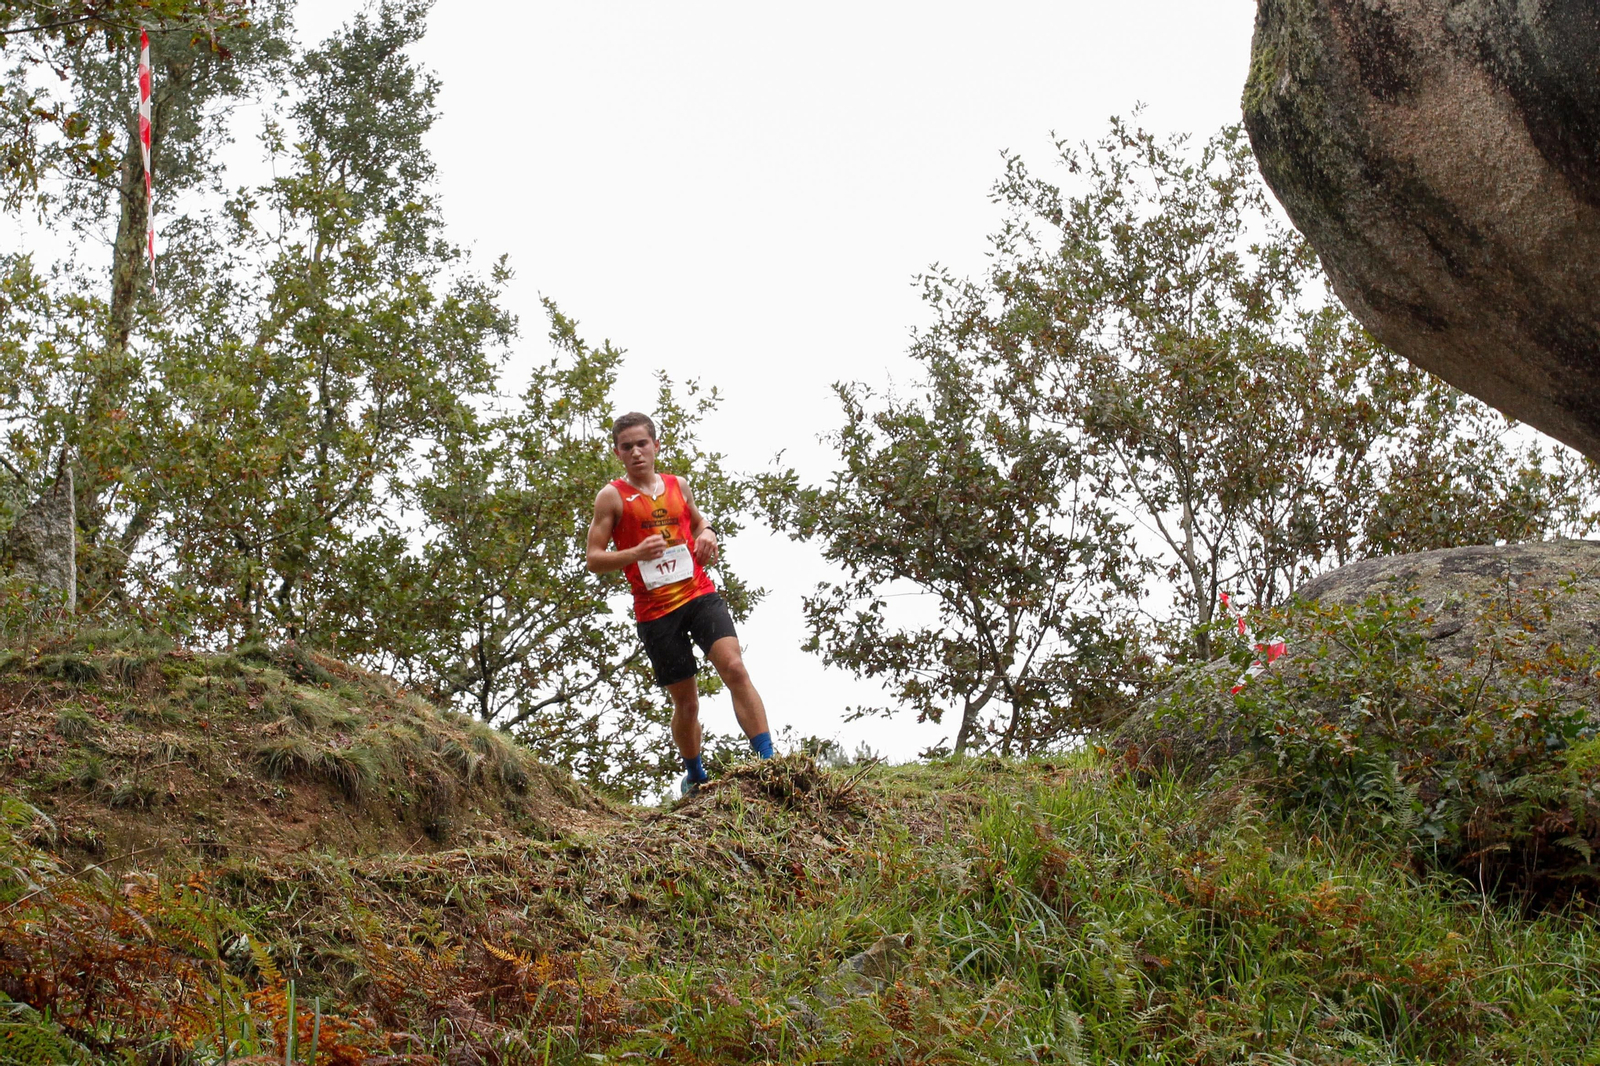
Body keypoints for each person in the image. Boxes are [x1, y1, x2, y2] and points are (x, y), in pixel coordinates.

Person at [586, 411, 774, 796]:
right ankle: (695, 774)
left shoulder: (678, 485)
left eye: (642, 443)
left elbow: (701, 523)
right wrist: (635, 552)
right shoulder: (612, 496)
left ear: (656, 445)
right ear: (617, 453)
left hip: (698, 593)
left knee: (735, 667)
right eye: (627, 447)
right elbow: (593, 558)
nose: (636, 452)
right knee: (687, 703)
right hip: (656, 613)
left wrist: (709, 535)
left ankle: (769, 761)